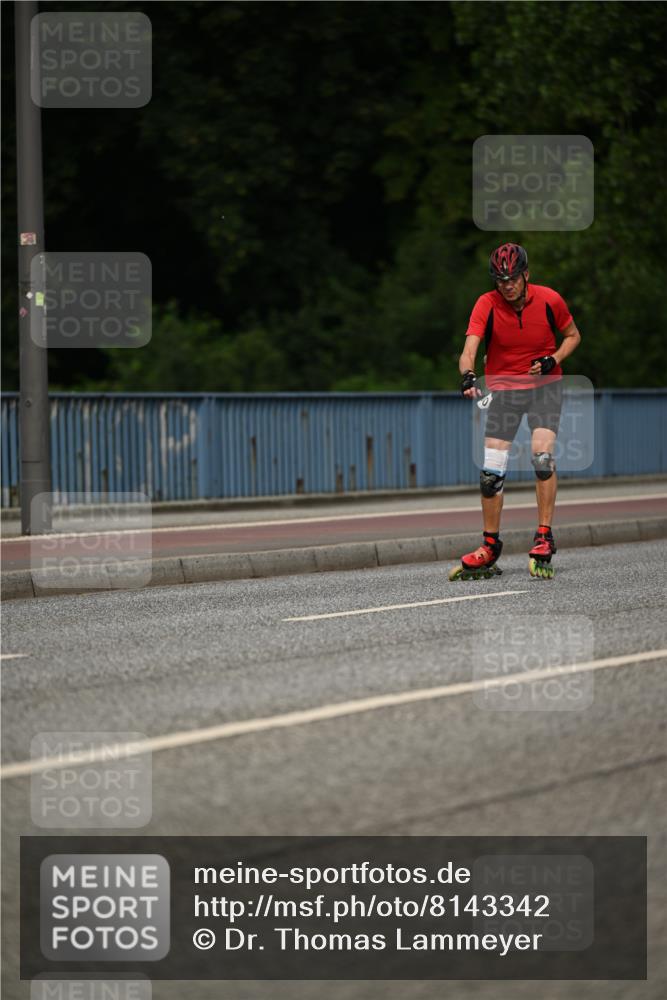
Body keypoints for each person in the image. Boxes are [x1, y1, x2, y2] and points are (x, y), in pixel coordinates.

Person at [450, 242, 581, 581]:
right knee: (491, 472)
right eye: (500, 280)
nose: (506, 286)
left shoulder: (550, 300)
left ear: (526, 275)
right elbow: (468, 350)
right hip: (505, 390)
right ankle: (490, 546)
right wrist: (467, 375)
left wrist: (555, 358)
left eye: (512, 279)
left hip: (544, 388)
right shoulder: (487, 304)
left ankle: (543, 536)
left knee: (541, 458)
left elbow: (572, 335)